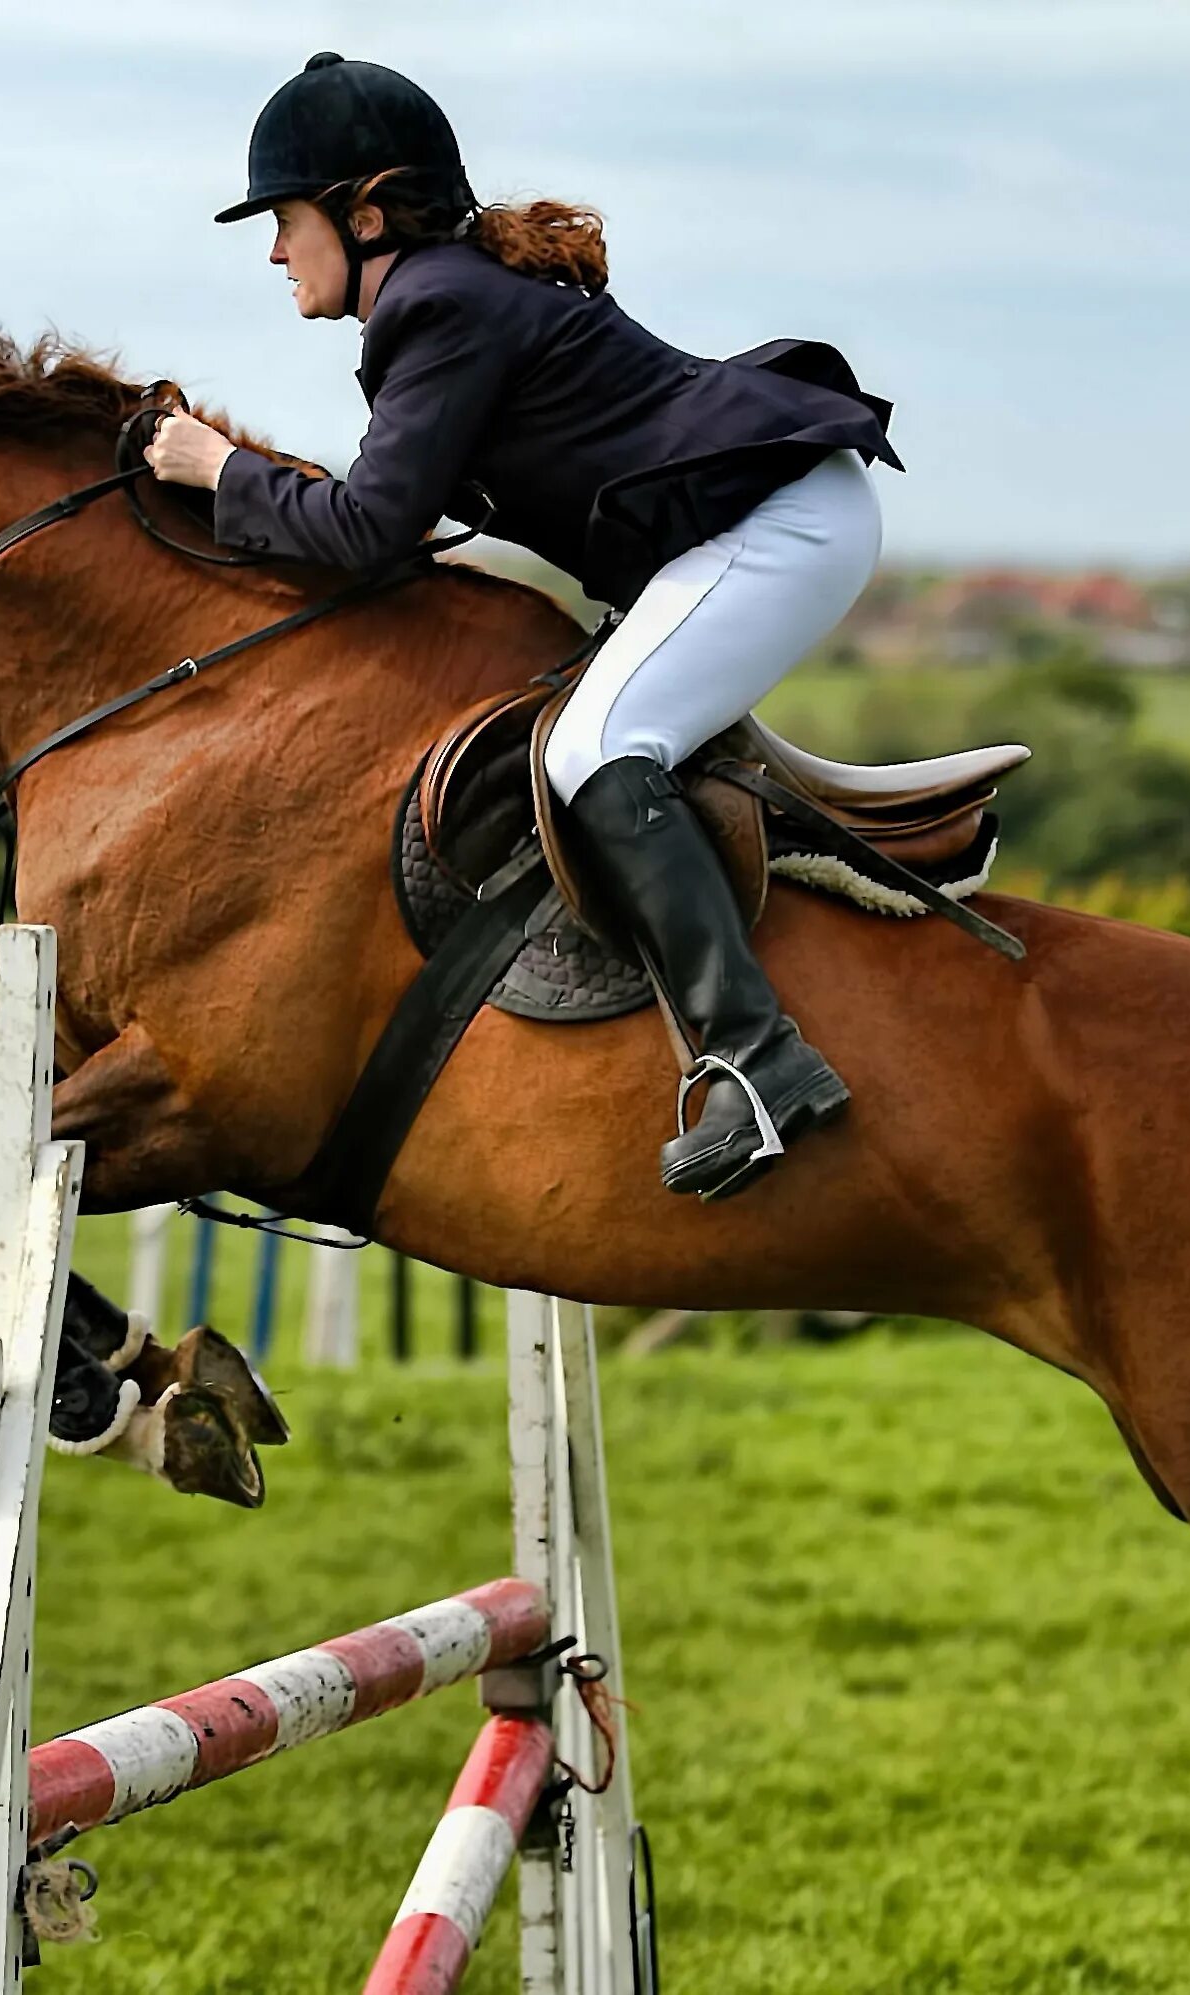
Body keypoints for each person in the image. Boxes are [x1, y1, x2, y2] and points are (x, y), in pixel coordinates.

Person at [146, 52, 901, 1202]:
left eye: (286, 218)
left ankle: (760, 1063)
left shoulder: (439, 305)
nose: (272, 249)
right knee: (590, 728)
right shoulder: (450, 298)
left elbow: (365, 529)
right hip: (766, 520)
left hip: (779, 525)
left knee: (596, 748)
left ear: (366, 212)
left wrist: (222, 470)